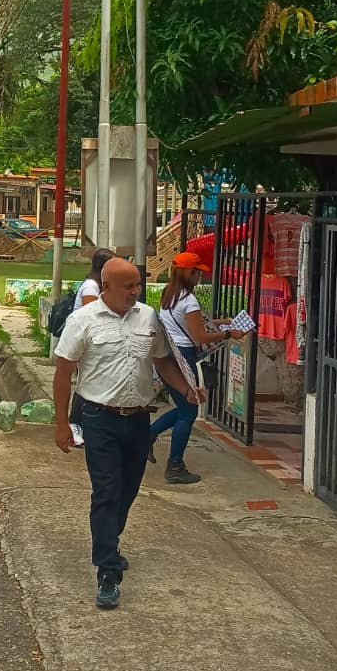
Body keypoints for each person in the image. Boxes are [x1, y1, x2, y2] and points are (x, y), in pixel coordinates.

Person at [53, 258, 201, 611]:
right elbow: (63, 374)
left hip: (137, 420)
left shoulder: (148, 317)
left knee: (128, 490)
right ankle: (108, 572)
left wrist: (185, 388)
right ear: (106, 287)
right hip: (98, 419)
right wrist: (61, 424)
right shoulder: (83, 320)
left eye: (138, 285)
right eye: (129, 286)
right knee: (106, 491)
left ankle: (110, 541)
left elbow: (162, 360)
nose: (136, 291)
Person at [149, 251, 245, 483]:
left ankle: (148, 436)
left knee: (184, 408)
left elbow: (190, 325)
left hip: (169, 355)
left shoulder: (170, 295)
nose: (199, 277)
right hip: (184, 357)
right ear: (188, 273)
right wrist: (229, 333)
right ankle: (174, 465)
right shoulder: (189, 300)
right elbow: (200, 336)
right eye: (197, 272)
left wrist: (221, 323)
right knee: (189, 412)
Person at [68, 248, 116, 448]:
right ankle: (75, 424)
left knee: (88, 382)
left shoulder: (95, 286)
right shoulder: (91, 288)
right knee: (85, 384)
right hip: (85, 343)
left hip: (90, 343)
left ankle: (80, 424)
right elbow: (93, 315)